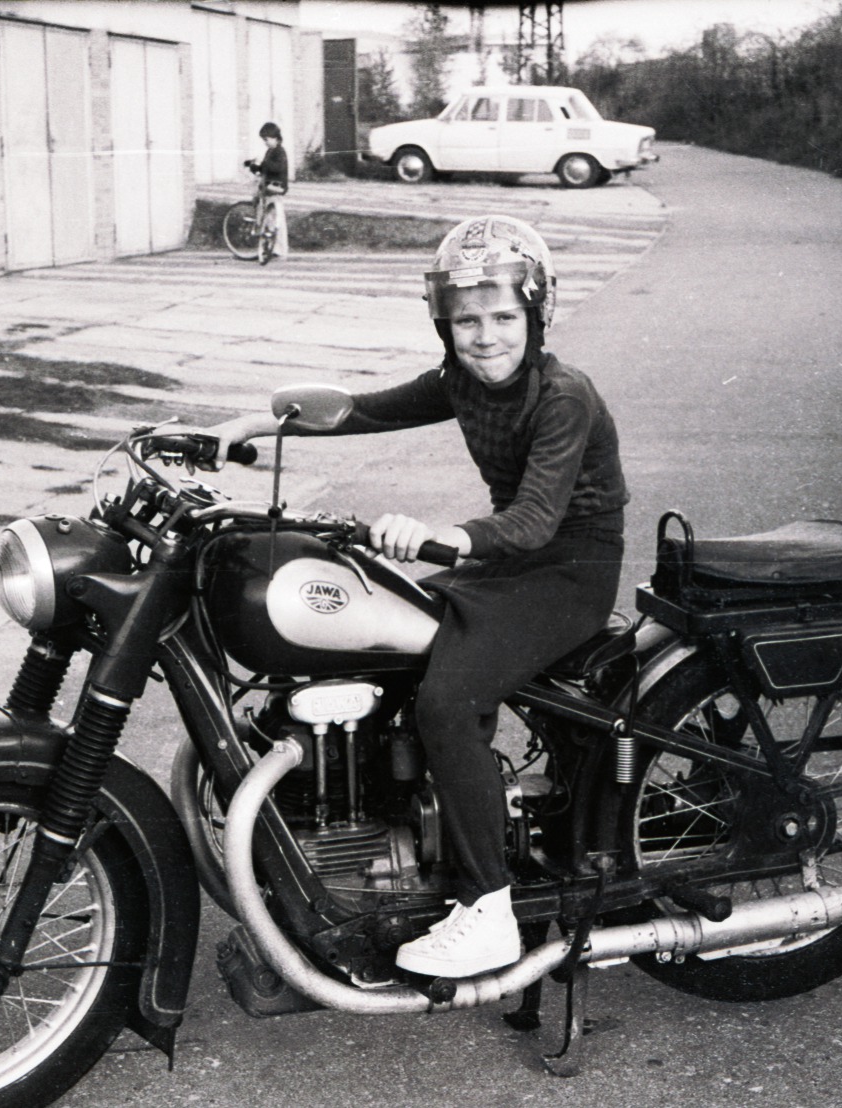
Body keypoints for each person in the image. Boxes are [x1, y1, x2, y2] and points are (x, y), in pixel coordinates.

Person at [206, 215, 628, 977]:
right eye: (467, 320)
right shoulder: (458, 382)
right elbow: (365, 408)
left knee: (446, 703)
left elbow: (533, 521)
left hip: (568, 571)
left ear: (537, 315)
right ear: (445, 324)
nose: (486, 336)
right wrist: (252, 424)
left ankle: (489, 907)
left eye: (504, 317)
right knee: (382, 644)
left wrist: (447, 535)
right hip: (504, 562)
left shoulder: (565, 395)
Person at [244, 121, 290, 258]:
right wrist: (253, 167)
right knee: (269, 219)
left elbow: (278, 168)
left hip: (277, 187)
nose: (265, 143)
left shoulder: (280, 152)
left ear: (275, 138)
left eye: (266, 140)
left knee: (277, 219)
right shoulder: (270, 151)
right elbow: (264, 169)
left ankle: (280, 249)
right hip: (268, 188)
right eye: (264, 140)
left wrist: (263, 164)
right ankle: (270, 248)